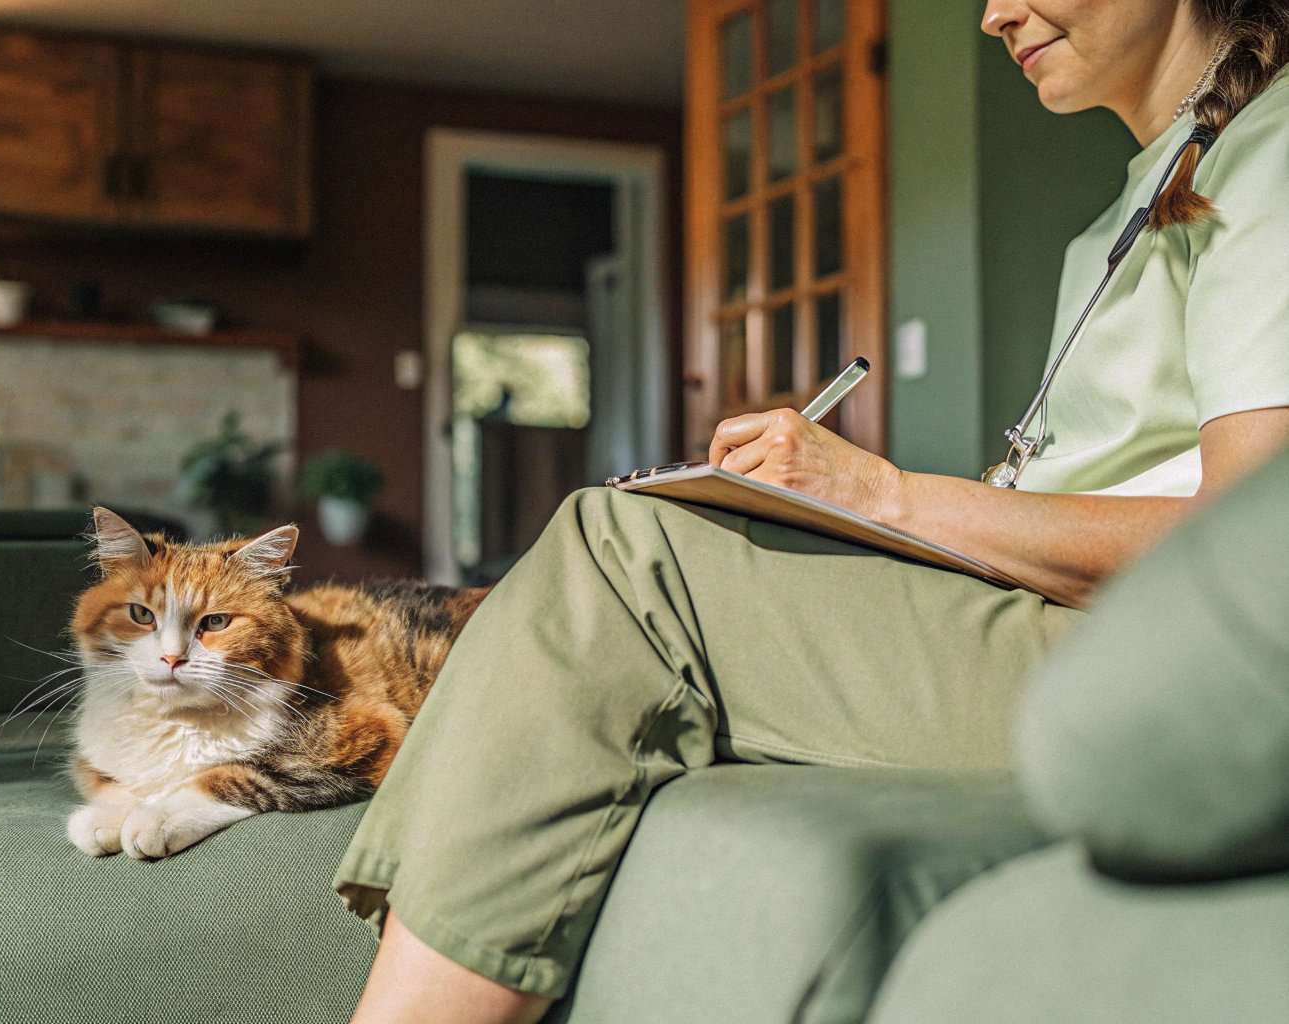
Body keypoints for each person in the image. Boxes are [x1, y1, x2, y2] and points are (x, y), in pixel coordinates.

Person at [338, 2, 1289, 1021]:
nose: (992, 15)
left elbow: (1249, 552)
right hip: (1059, 625)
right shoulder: (1145, 196)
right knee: (634, 527)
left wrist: (881, 492)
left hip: (1128, 666)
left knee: (626, 553)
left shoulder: (1272, 151)